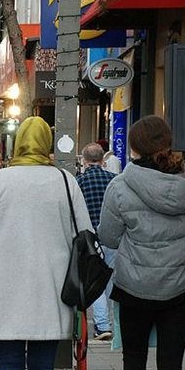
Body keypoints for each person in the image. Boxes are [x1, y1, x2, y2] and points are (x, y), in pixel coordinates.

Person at [0, 117, 93, 370]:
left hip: (6, 291)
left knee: (9, 363)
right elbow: (85, 236)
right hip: (52, 290)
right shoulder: (65, 182)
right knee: (44, 365)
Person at [98, 115, 185, 370]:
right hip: (182, 284)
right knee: (171, 365)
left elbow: (109, 238)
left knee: (133, 360)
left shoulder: (120, 186)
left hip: (133, 286)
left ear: (134, 147)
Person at [76, 143, 117, 341]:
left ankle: (102, 325)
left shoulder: (79, 182)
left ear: (84, 161)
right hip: (113, 238)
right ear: (103, 160)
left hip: (90, 239)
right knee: (110, 281)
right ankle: (110, 322)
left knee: (94, 280)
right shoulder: (114, 180)